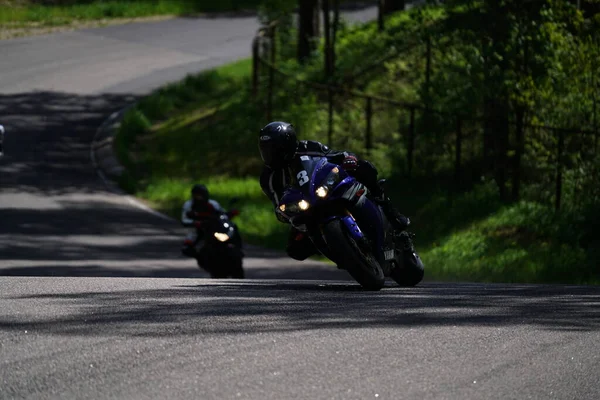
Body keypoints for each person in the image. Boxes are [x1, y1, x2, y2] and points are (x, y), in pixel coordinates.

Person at [258, 121, 414, 261]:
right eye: (265, 150)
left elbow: (336, 155)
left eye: (273, 150)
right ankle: (338, 249)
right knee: (295, 250)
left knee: (364, 167)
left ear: (287, 144)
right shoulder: (268, 178)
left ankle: (390, 212)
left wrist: (349, 158)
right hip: (305, 208)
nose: (269, 155)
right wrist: (285, 212)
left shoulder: (307, 147)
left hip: (326, 188)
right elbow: (278, 205)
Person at [180, 184, 226, 258]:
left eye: (202, 194)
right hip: (198, 227)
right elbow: (184, 219)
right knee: (189, 242)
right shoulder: (189, 205)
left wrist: (230, 214)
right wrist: (195, 223)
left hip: (214, 226)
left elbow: (222, 213)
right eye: (198, 195)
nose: (200, 197)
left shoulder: (213, 204)